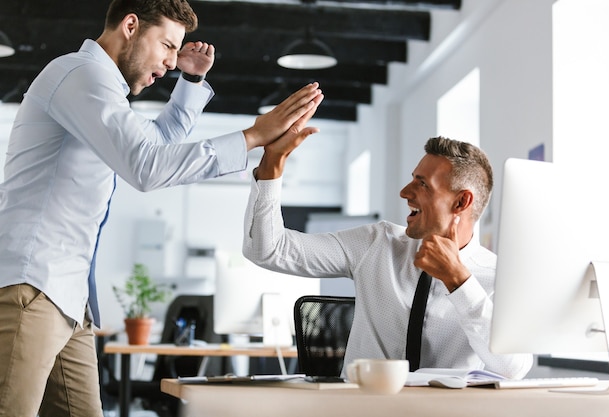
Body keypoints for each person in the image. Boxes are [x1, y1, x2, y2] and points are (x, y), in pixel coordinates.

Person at [0, 0, 323, 416]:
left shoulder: (100, 89)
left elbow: (156, 145)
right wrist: (255, 134)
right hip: (35, 286)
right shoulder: (81, 75)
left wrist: (191, 81)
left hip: (66, 296)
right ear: (131, 25)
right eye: (167, 46)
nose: (171, 62)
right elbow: (146, 166)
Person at [242, 131, 533, 380]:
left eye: (422, 183)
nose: (405, 192)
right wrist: (272, 165)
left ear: (461, 201)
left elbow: (513, 368)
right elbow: (268, 249)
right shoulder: (376, 243)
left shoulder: (498, 278)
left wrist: (459, 281)